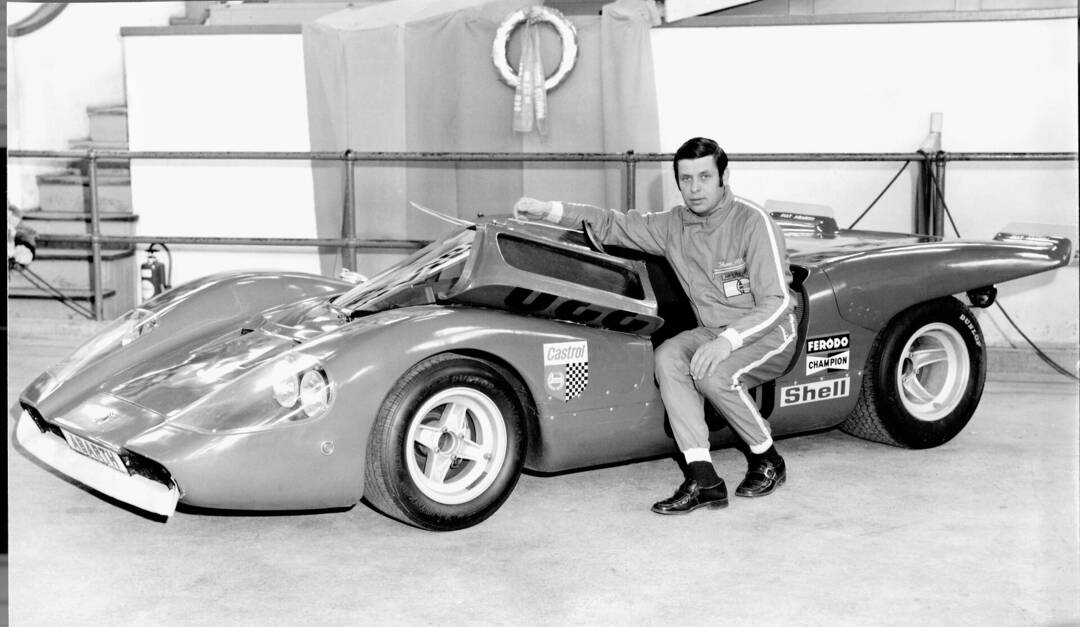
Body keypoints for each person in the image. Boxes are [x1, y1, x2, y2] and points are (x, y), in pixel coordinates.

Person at [514, 137, 797, 515]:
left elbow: (777, 302)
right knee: (667, 358)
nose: (695, 188)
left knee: (714, 376)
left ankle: (768, 459)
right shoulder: (672, 225)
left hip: (768, 331)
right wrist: (548, 210)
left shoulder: (752, 221)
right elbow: (611, 224)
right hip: (713, 330)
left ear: (724, 177)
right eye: (686, 179)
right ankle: (704, 479)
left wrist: (727, 342)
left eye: (704, 177)